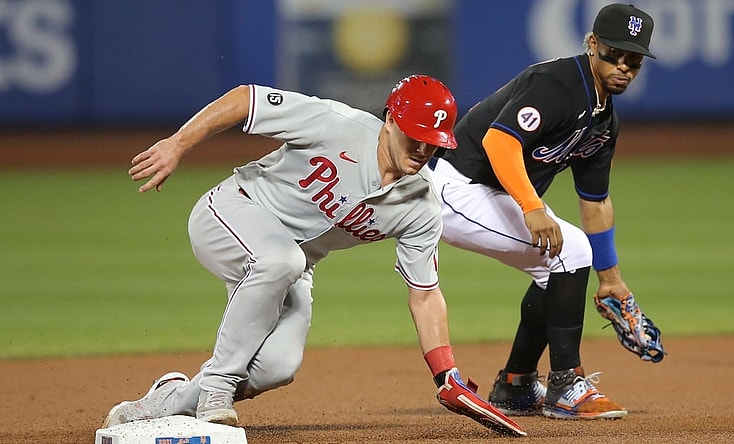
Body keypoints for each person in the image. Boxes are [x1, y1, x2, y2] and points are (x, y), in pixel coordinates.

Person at [101, 75, 525, 437]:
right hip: (232, 212)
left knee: (277, 368)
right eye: (415, 137)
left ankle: (163, 402)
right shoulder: (335, 124)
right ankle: (216, 388)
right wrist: (179, 143)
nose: (422, 150)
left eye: (432, 143)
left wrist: (445, 372)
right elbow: (244, 98)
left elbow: (425, 293)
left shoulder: (421, 205)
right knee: (281, 260)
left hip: (289, 264)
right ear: (390, 119)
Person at [427, 3, 656, 419]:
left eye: (633, 60)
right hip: (455, 186)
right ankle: (566, 384)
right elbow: (499, 142)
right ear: (592, 45)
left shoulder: (605, 121)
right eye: (613, 54)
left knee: (560, 264)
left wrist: (612, 281)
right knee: (571, 253)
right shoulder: (558, 84)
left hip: (492, 192)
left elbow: (597, 201)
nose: (622, 66)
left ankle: (515, 384)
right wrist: (532, 207)